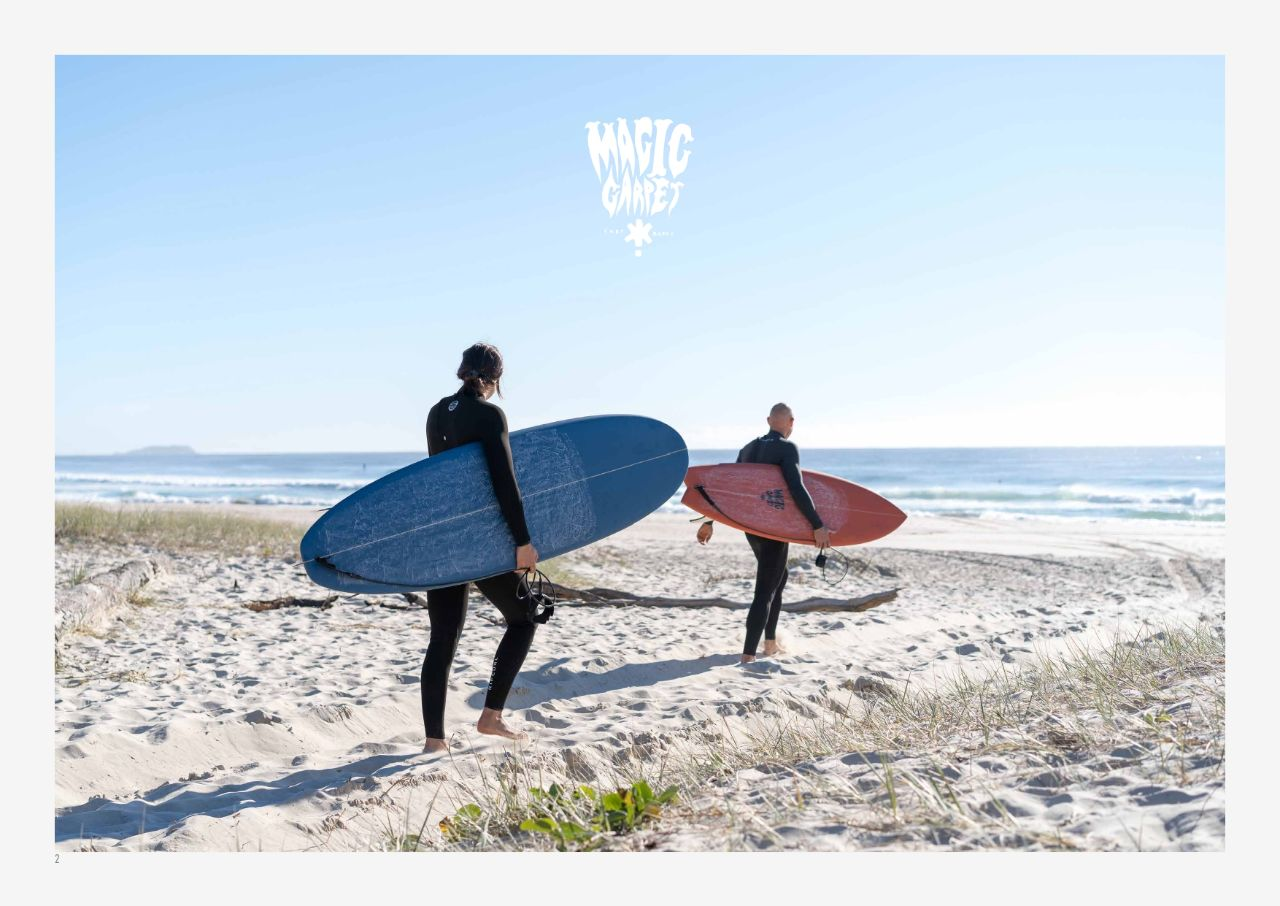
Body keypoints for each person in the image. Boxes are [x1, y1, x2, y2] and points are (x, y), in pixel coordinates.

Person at [420, 342, 540, 753]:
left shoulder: (436, 413)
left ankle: (434, 741)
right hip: (477, 541)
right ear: (496, 378)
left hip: (442, 538)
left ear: (462, 371)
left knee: (442, 638)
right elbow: (505, 484)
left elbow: (443, 481)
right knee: (525, 617)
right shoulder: (490, 415)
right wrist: (523, 542)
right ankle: (491, 716)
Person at [696, 403, 830, 663]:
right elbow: (796, 488)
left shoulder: (747, 449)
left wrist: (709, 521)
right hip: (773, 528)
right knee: (765, 590)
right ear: (791, 422)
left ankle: (770, 643)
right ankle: (748, 655)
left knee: (779, 578)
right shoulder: (787, 448)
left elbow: (727, 490)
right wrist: (817, 524)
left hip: (751, 527)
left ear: (769, 420)